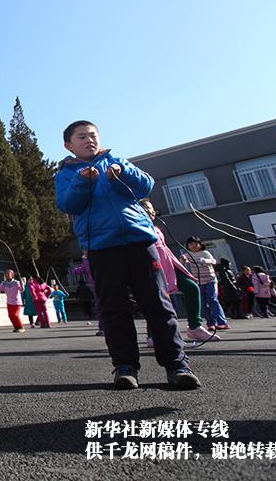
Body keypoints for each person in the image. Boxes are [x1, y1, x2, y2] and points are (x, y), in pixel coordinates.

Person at [55, 120, 198, 390]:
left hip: (139, 240)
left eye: (93, 135)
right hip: (101, 246)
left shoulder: (116, 161)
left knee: (158, 304)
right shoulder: (67, 174)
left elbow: (145, 186)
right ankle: (125, 367)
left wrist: (122, 174)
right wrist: (84, 183)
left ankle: (177, 365)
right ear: (69, 145)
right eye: (82, 137)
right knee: (113, 308)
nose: (89, 140)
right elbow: (66, 203)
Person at [139, 200, 216, 342]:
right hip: (152, 266)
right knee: (156, 300)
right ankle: (152, 334)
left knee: (192, 287)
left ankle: (195, 327)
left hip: (169, 263)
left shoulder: (157, 229)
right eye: (144, 209)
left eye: (150, 209)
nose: (149, 212)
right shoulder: (136, 228)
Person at [181, 237, 229, 331]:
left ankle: (222, 322)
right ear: (187, 246)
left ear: (200, 244)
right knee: (204, 303)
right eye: (191, 244)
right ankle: (210, 323)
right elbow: (182, 261)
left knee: (213, 299)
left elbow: (214, 261)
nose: (193, 246)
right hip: (198, 282)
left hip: (210, 280)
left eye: (195, 244)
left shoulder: (205, 253)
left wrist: (206, 261)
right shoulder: (188, 254)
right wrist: (182, 259)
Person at [72, 255, 105, 335]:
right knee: (99, 307)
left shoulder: (94, 255)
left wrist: (75, 271)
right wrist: (75, 271)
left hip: (101, 283)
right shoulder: (86, 259)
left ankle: (104, 327)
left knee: (101, 307)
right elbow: (85, 268)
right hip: (94, 288)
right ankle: (103, 327)